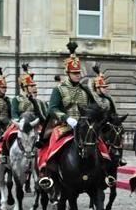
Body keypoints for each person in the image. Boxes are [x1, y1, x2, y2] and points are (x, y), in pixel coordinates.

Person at [38, 42, 98, 186]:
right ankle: (48, 172)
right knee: (53, 142)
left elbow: (93, 106)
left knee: (100, 143)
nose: (78, 75)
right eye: (75, 73)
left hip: (84, 127)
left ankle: (106, 172)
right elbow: (52, 108)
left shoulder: (85, 90)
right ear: (68, 73)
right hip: (65, 125)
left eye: (79, 73)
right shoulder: (59, 90)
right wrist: (67, 118)